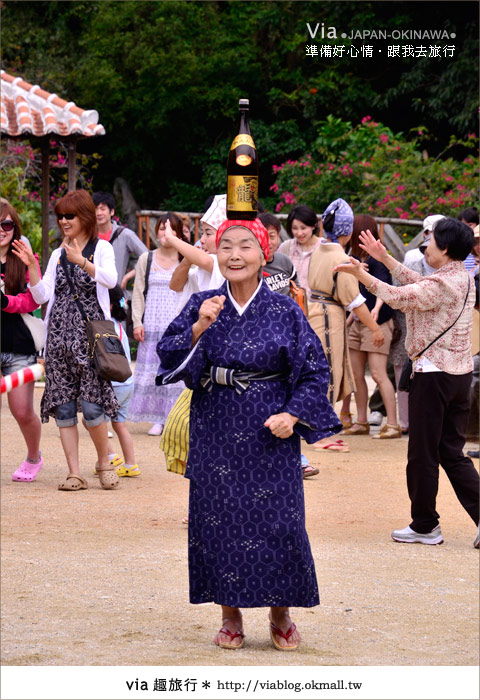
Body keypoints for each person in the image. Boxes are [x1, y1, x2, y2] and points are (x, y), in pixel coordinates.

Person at [156, 217, 342, 649]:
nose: (234, 255)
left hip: (269, 433)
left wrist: (294, 415)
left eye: (245, 247)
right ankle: (230, 616)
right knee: (218, 522)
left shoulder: (284, 310)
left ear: (263, 256)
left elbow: (315, 372)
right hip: (215, 426)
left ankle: (281, 614)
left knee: (280, 523)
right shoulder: (202, 302)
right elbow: (167, 356)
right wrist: (199, 326)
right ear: (216, 255)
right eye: (225, 247)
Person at [333, 219, 479, 548]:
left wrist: (361, 275)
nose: (426, 244)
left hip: (433, 376)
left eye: (431, 240)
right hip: (459, 375)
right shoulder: (463, 277)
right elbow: (417, 282)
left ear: (444, 249)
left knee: (422, 454)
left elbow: (397, 296)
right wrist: (383, 257)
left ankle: (425, 525)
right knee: (451, 453)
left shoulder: (442, 284)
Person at [14, 189, 120, 491]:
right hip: (59, 339)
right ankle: (74, 472)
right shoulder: (58, 254)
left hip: (91, 339)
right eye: (60, 216)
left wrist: (82, 261)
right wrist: (33, 271)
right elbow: (43, 295)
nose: (63, 220)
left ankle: (103, 461)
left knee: (91, 408)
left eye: (69, 215)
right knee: (63, 407)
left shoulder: (101, 249)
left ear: (84, 217)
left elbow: (111, 280)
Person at [307, 199, 384, 451]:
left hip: (315, 310)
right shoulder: (340, 256)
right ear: (348, 232)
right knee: (328, 373)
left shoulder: (320, 248)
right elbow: (355, 301)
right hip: (329, 316)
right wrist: (375, 328)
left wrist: (355, 268)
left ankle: (318, 429)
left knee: (321, 371)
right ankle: (320, 434)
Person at [340, 215, 400, 439]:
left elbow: (385, 286)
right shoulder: (352, 256)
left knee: (377, 374)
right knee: (357, 375)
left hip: (378, 321)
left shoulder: (378, 257)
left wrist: (376, 309)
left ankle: (392, 424)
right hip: (357, 320)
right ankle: (361, 421)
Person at [129, 213, 186, 435]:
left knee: (176, 371)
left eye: (171, 229)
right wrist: (137, 322)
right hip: (152, 323)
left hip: (177, 324)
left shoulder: (186, 258)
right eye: (162, 228)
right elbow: (138, 293)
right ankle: (157, 418)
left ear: (179, 234)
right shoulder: (147, 258)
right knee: (154, 370)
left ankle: (174, 417)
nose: (166, 233)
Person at [1, 201, 43, 482]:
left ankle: (33, 457)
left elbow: (36, 299)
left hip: (19, 346)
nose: (2, 230)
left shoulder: (25, 257)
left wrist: (6, 302)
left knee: (23, 411)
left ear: (15, 227)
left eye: (6, 225)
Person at [85, 285, 140, 478]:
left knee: (90, 420)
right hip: (127, 382)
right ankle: (131, 464)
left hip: (113, 384)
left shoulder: (103, 326)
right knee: (120, 425)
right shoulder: (118, 325)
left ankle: (109, 456)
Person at [170, 194, 226, 311]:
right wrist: (187, 261)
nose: (202, 240)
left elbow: (207, 261)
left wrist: (172, 239)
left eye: (208, 233)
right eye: (202, 233)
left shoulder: (227, 261)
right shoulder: (199, 265)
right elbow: (175, 285)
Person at [92, 191, 147, 287]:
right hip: (90, 295)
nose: (98, 213)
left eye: (102, 209)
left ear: (112, 212)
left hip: (116, 293)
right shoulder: (88, 236)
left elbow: (148, 257)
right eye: (95, 209)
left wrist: (128, 276)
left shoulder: (124, 234)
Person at [277, 205, 321, 294]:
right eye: (295, 228)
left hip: (314, 305)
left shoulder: (324, 248)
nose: (299, 233)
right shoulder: (286, 247)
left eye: (303, 228)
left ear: (313, 225)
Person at [259, 212, 298, 295]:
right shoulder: (252, 267)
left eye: (272, 236)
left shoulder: (284, 261)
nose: (268, 242)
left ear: (278, 237)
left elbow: (297, 288)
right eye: (263, 237)